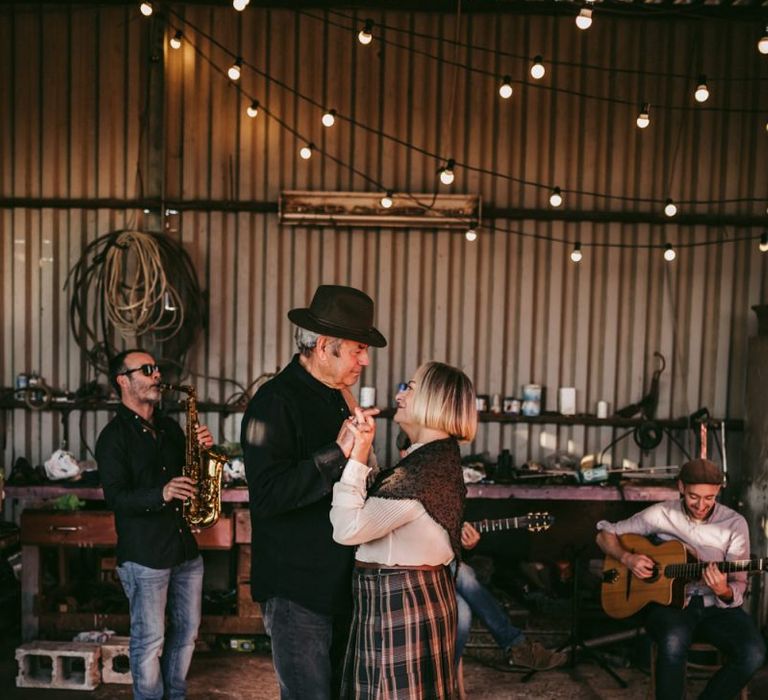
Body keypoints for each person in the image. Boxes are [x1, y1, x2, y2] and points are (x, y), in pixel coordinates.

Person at [240, 284, 386, 700]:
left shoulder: (339, 396)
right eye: (358, 349)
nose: (365, 359)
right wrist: (336, 452)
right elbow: (267, 496)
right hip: (296, 591)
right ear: (325, 346)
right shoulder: (273, 403)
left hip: (340, 583)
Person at [330, 361, 477, 699]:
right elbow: (384, 494)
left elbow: (347, 529)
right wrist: (364, 450)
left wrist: (353, 462)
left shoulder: (424, 472)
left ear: (434, 400)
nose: (401, 394)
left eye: (410, 387)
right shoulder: (429, 461)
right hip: (409, 597)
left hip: (400, 599)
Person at [96, 349, 215, 700]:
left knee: (188, 633)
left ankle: (174, 695)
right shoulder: (113, 437)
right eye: (146, 370)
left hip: (184, 550)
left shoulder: (171, 428)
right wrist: (161, 493)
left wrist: (203, 450)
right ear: (123, 380)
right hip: (145, 556)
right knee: (149, 640)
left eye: (157, 369)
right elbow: (116, 497)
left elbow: (190, 475)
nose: (157, 375)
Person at [595, 458, 766, 700]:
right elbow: (605, 534)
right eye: (694, 496)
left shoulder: (735, 524)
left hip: (717, 609)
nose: (701, 505)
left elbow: (737, 584)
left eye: (710, 498)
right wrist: (627, 559)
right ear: (682, 487)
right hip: (670, 606)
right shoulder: (661, 513)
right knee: (673, 644)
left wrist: (722, 590)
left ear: (718, 491)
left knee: (753, 654)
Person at [456, 522, 567, 671]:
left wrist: (465, 541)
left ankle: (444, 677)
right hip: (417, 570)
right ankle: (517, 646)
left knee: (463, 613)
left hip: (439, 570)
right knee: (464, 573)